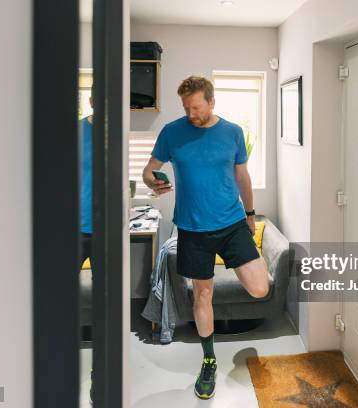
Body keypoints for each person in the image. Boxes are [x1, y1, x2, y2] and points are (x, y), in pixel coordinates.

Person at [142, 75, 270, 400]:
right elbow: (148, 169)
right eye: (186, 107)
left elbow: (242, 174)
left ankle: (243, 262)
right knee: (202, 295)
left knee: (259, 288)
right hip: (192, 228)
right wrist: (151, 181)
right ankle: (209, 360)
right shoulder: (172, 132)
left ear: (211, 102)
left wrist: (251, 214)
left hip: (231, 223)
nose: (191, 113)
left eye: (196, 107)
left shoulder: (232, 133)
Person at [79, 91, 95, 404]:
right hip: (75, 227)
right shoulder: (76, 130)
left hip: (109, 231)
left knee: (105, 300)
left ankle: (100, 379)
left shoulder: (119, 134)